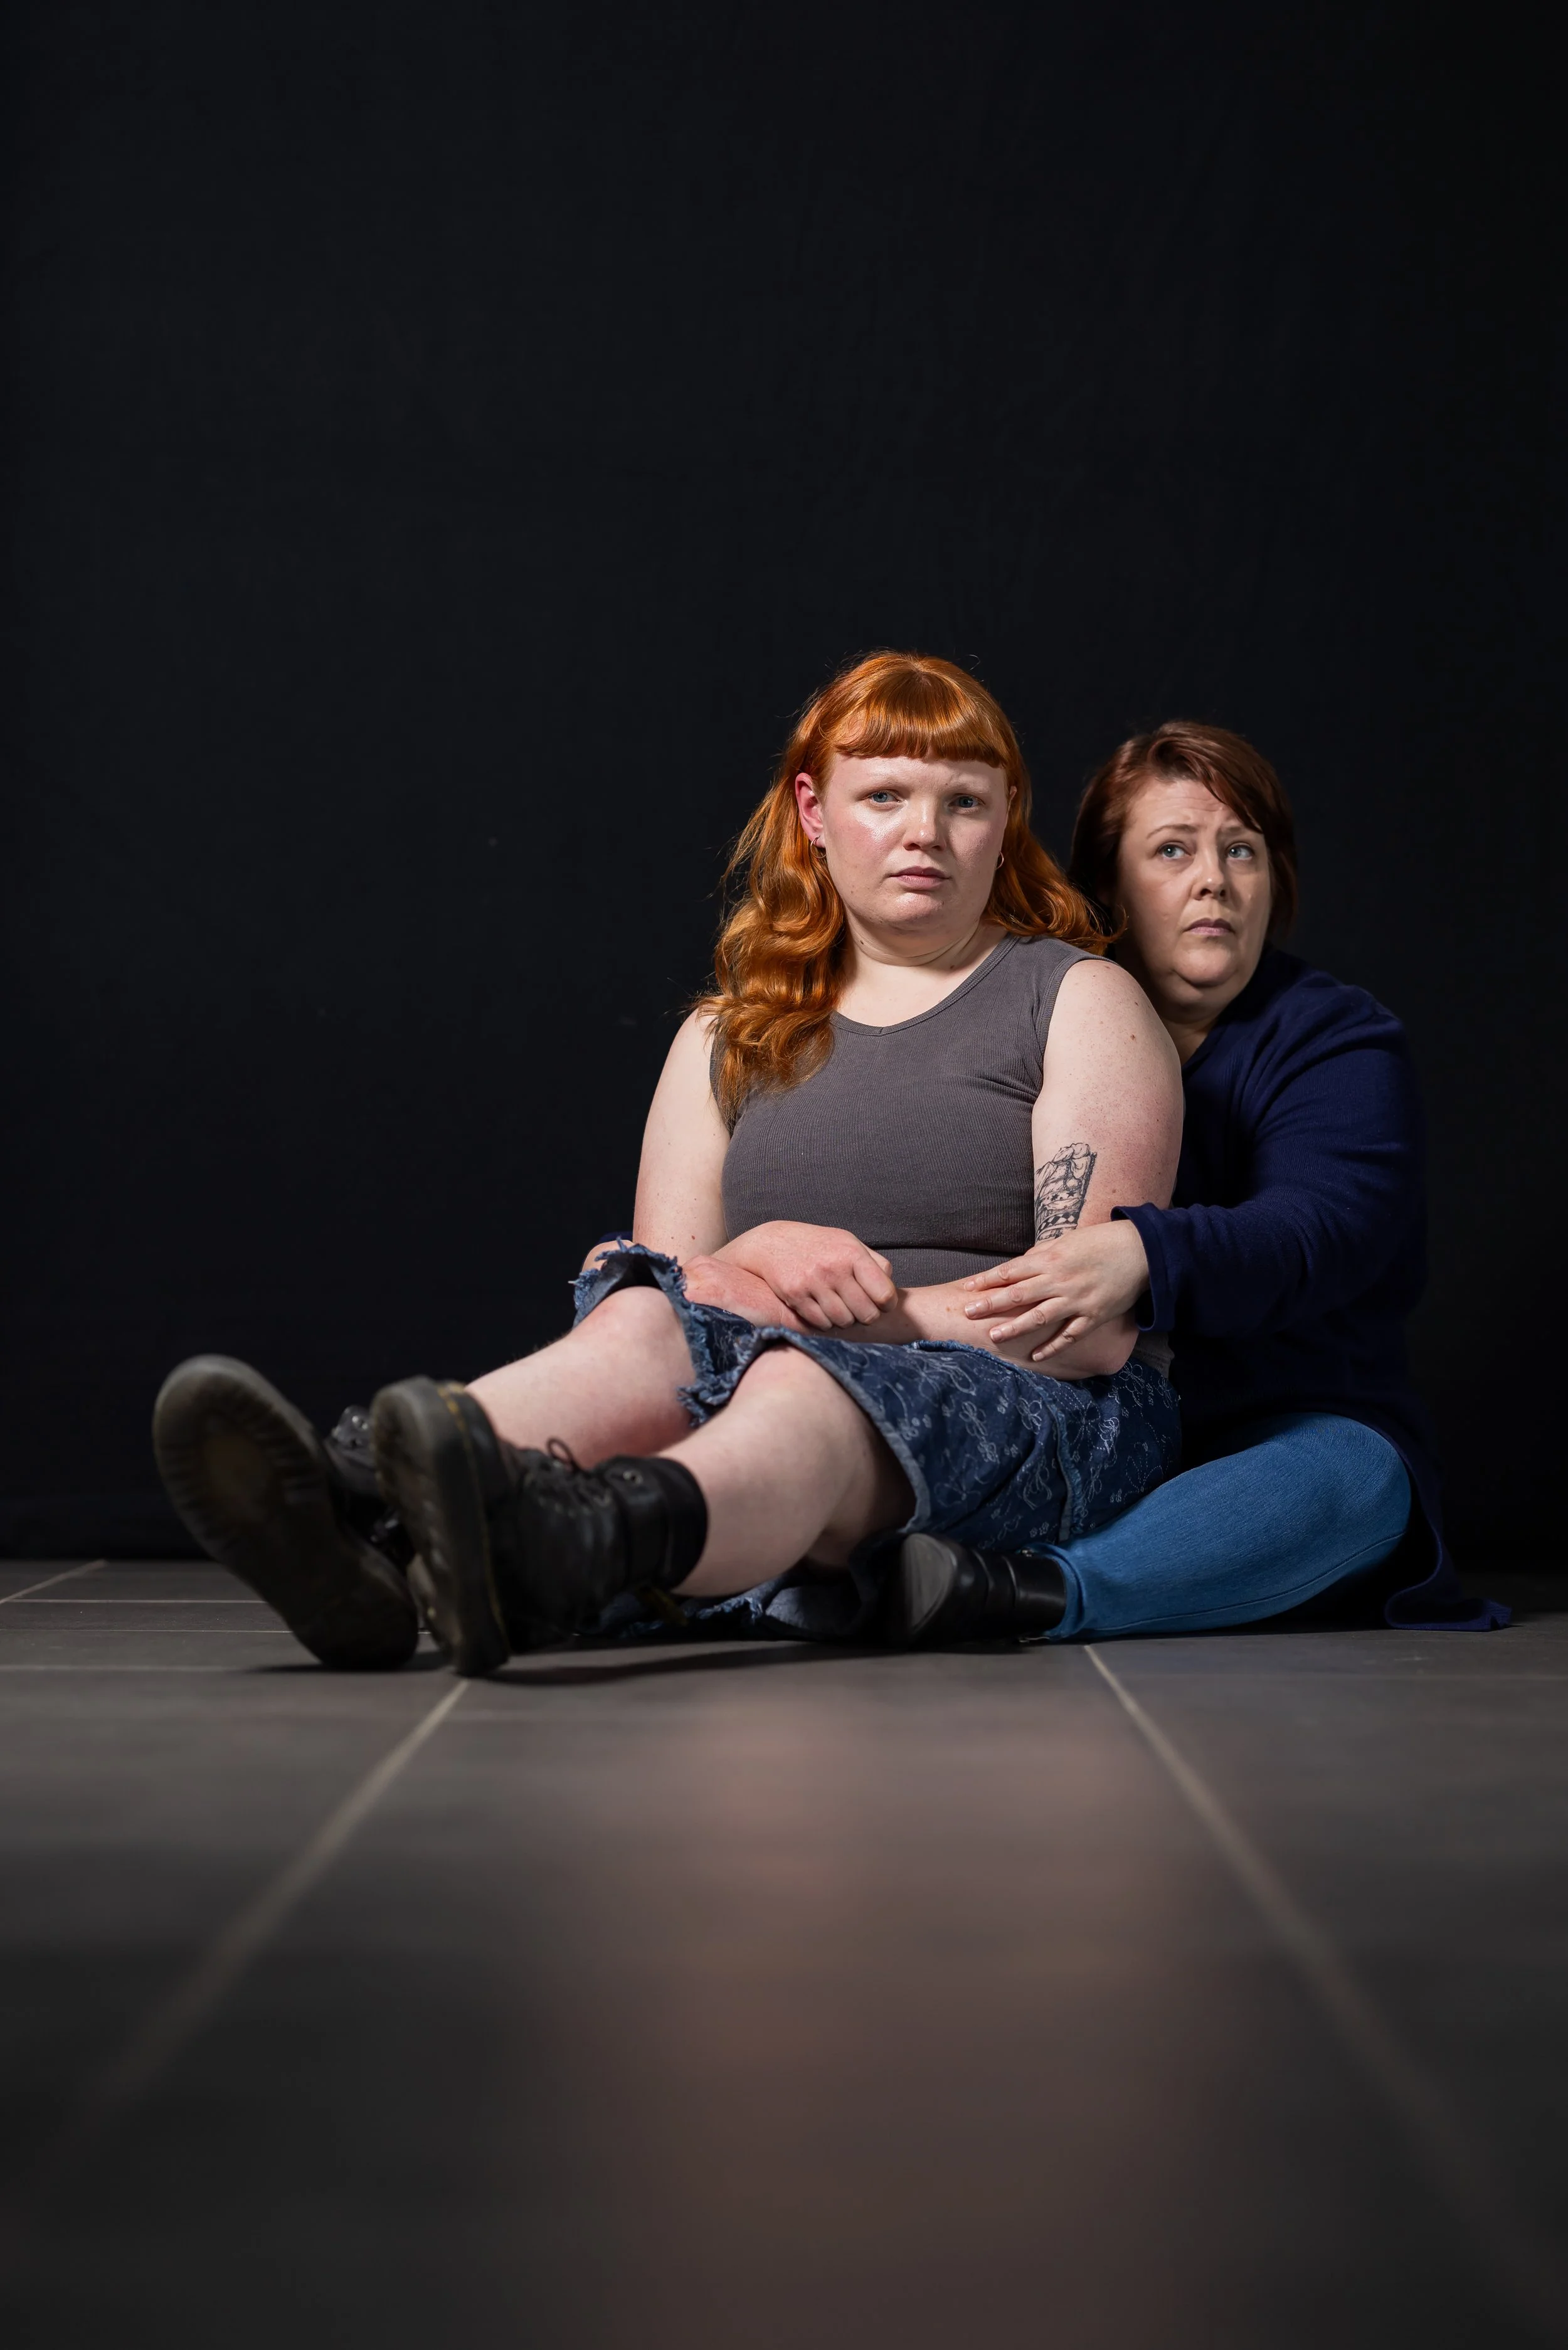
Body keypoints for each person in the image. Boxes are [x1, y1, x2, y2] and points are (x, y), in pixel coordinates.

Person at [153, 653, 1184, 1674]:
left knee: (798, 1381)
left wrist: (858, 1316)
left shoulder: (1075, 999)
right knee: (644, 1314)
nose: (925, 831)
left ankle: (569, 1550)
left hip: (1041, 1411)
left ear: (1006, 820)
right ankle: (357, 1508)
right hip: (781, 1374)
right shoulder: (726, 1036)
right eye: (885, 796)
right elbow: (677, 1293)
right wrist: (757, 1258)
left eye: (964, 800)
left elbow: (1089, 1330)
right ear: (814, 812)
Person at [895, 720, 1508, 1642]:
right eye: (1173, 850)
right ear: (1110, 884)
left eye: (1242, 851)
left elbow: (1320, 1229)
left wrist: (1142, 1253)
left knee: (1360, 1475)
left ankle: (1019, 1590)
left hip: (1274, 1436)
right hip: (1074, 1411)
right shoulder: (1035, 1018)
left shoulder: (1339, 1039)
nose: (1214, 880)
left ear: (1275, 881)